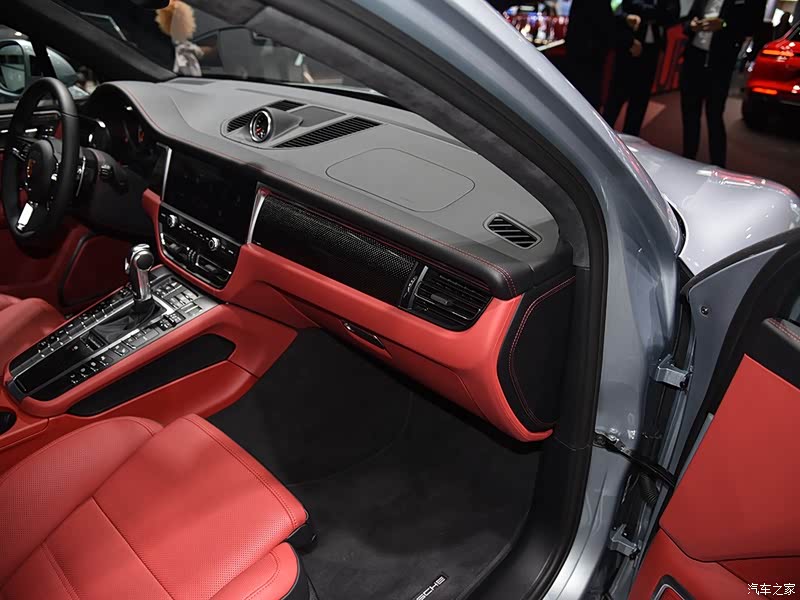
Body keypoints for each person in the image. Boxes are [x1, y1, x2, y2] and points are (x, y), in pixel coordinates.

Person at [681, 0, 766, 167]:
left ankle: (719, 166)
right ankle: (687, 160)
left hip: (720, 62)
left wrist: (724, 24)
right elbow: (688, 20)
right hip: (694, 57)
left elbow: (752, 26)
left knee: (714, 115)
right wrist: (691, 25)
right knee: (689, 112)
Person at [603, 0, 680, 136]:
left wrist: (647, 12)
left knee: (640, 100)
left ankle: (631, 140)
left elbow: (672, 14)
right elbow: (618, 10)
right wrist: (654, 12)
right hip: (630, 46)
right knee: (616, 98)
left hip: (652, 50)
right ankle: (603, 135)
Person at [565, 0, 636, 109]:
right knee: (585, 102)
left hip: (582, 51)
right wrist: (629, 42)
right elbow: (603, 22)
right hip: (588, 56)